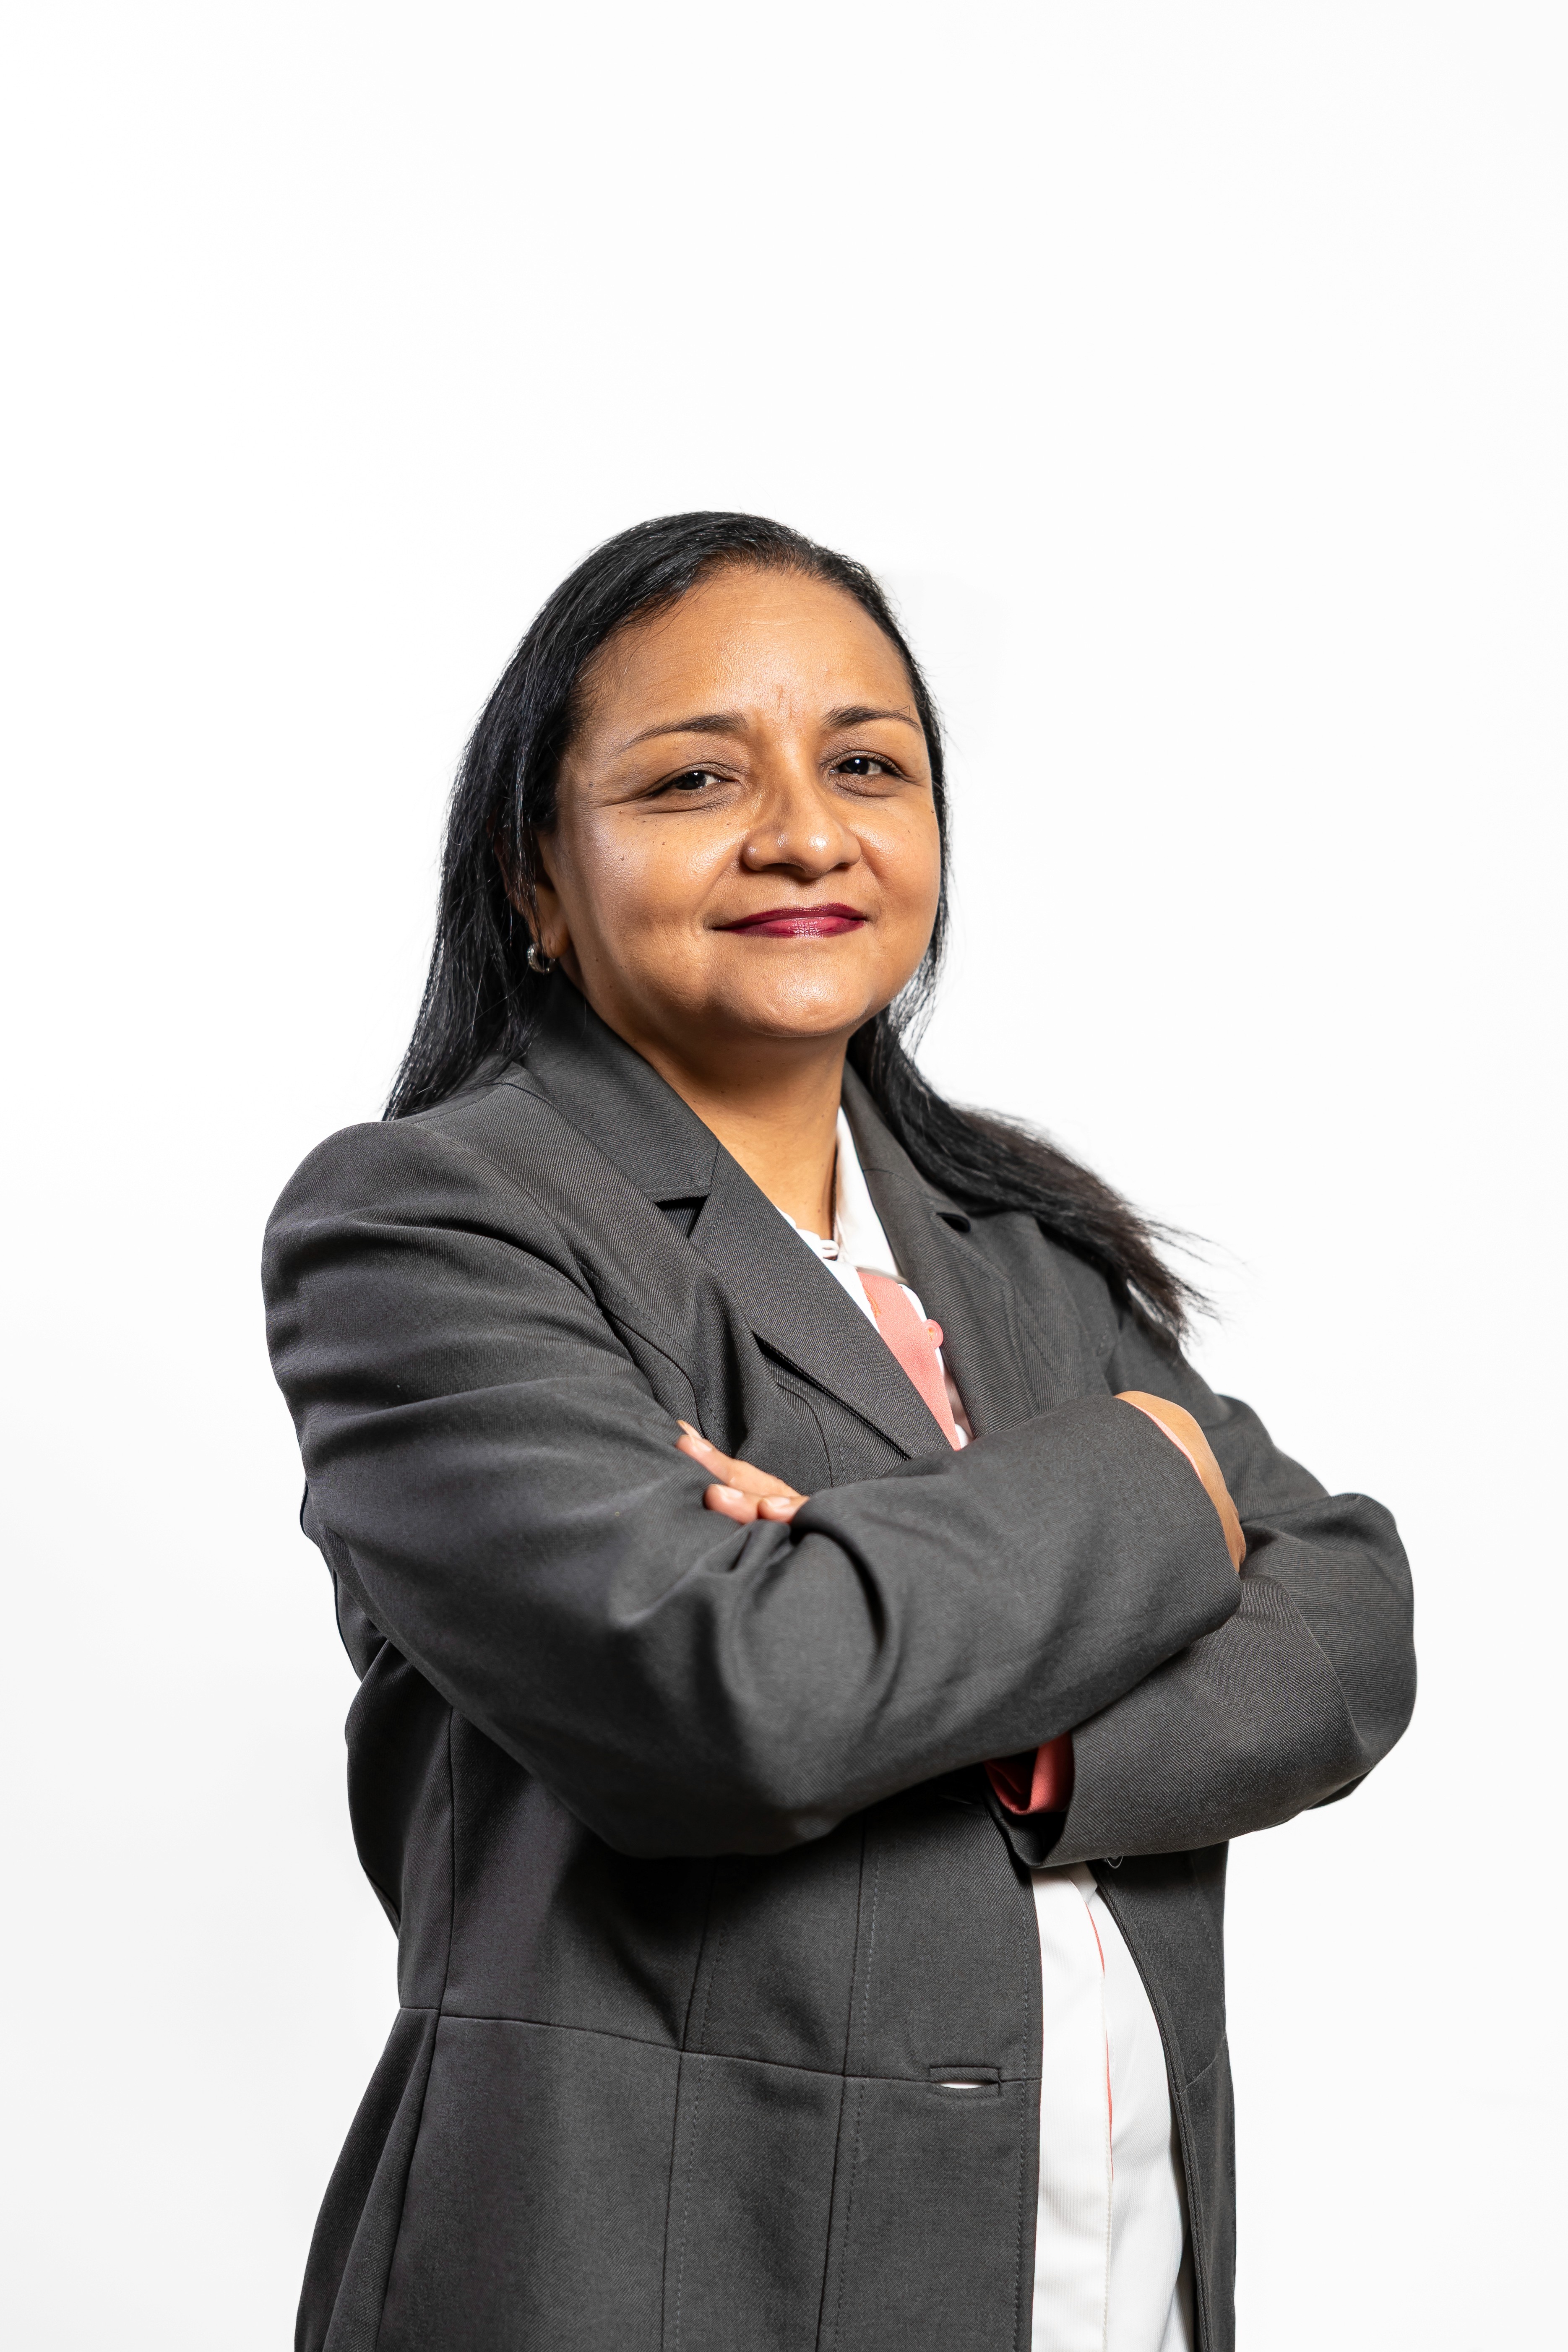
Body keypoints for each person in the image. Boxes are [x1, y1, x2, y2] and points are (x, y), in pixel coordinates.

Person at [263, 511, 1415, 2352]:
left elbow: (1345, 1617)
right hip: (645, 2289)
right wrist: (1154, 1482)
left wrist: (975, 1695)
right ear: (534, 877)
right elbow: (731, 1695)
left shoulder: (1019, 1249)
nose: (806, 833)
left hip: (1098, 2287)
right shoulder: (428, 1225)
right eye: (695, 777)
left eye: (866, 766)